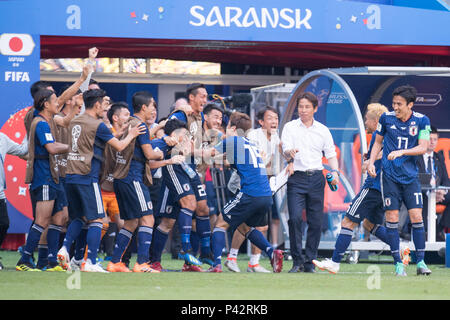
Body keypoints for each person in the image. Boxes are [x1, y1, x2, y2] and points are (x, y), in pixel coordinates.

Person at [312, 103, 412, 273]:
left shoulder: (384, 136)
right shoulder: (384, 135)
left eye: (367, 119)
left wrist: (370, 162)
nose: (365, 122)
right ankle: (400, 248)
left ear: (375, 121)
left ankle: (335, 262)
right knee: (369, 224)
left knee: (348, 221)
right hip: (385, 189)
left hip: (373, 188)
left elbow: (387, 151)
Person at [56, 89, 146, 273]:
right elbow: (120, 146)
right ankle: (91, 261)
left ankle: (66, 250)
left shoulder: (76, 121)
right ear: (96, 104)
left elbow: (94, 139)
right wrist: (132, 134)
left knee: (79, 217)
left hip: (71, 175)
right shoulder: (98, 125)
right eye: (103, 104)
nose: (105, 109)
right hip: (88, 177)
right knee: (98, 219)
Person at [367, 85, 432, 276]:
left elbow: (423, 147)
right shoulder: (386, 118)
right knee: (392, 219)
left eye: (399, 104)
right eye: (394, 103)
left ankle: (421, 262)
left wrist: (402, 152)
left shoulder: (422, 121)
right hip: (389, 178)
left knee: (417, 218)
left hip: (410, 178)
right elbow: (377, 142)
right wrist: (371, 162)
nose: (395, 107)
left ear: (410, 105)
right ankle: (398, 264)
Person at [207, 112, 284, 273]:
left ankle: (216, 265)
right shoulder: (250, 144)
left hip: (251, 193)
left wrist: (188, 150)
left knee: (220, 223)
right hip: (265, 195)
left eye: (227, 127)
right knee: (245, 228)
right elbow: (228, 161)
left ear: (233, 128)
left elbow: (208, 154)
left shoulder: (232, 140)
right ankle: (271, 251)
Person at [281, 92, 340, 273]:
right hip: (296, 178)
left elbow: (330, 154)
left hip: (316, 178)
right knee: (295, 219)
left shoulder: (322, 130)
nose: (303, 110)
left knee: (315, 222)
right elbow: (285, 149)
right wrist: (289, 154)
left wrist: (335, 172)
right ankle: (297, 261)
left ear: (315, 108)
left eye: (307, 107)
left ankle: (310, 261)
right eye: (300, 106)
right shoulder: (290, 127)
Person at [105, 92, 164, 273]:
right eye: (153, 105)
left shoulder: (128, 124)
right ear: (144, 107)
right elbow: (149, 154)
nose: (154, 109)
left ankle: (115, 262)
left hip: (121, 179)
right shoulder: (141, 126)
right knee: (148, 218)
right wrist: (160, 152)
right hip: (133, 178)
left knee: (131, 222)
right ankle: (142, 263)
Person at [16, 89, 70, 271]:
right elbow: (52, 148)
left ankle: (50, 261)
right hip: (44, 177)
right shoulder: (40, 124)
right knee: (41, 220)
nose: (58, 103)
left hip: (52, 177)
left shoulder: (47, 122)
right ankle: (24, 260)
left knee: (59, 218)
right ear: (46, 104)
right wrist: (69, 147)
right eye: (55, 100)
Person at [165, 83, 215, 269]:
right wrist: (205, 152)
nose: (205, 99)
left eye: (206, 96)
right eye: (202, 96)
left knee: (203, 208)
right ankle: (185, 250)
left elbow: (199, 141)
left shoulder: (200, 116)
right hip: (177, 164)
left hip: (192, 167)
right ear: (191, 98)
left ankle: (206, 252)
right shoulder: (180, 114)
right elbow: (176, 137)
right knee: (188, 205)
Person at [411, 126, 450, 240]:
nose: (432, 142)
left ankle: (441, 228)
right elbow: (413, 180)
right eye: (429, 139)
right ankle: (424, 234)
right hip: (422, 193)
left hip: (438, 193)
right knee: (422, 199)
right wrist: (430, 192)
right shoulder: (415, 157)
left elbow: (446, 180)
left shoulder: (439, 157)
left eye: (435, 139)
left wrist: (443, 191)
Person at [0, 130, 28, 270]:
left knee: (4, 223)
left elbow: (22, 151)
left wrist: (30, 130)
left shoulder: (2, 138)